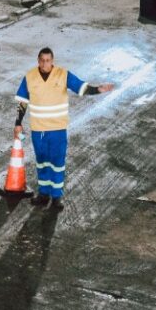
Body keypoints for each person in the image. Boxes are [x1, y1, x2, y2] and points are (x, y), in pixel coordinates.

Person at [13, 46, 115, 210]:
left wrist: (98, 89)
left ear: (52, 61)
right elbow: (22, 102)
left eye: (48, 60)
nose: (45, 64)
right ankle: (44, 194)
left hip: (58, 130)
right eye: (42, 60)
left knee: (57, 163)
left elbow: (81, 87)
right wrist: (18, 123)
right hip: (38, 130)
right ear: (38, 60)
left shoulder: (63, 74)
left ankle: (56, 197)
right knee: (42, 162)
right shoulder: (30, 77)